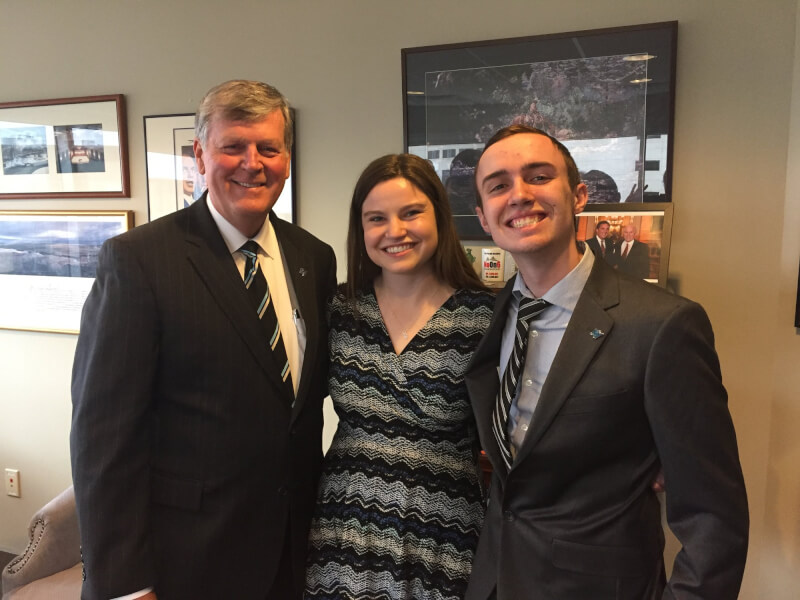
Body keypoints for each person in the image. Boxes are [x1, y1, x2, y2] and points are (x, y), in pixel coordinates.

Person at [70, 80, 337, 600]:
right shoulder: (139, 260)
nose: (251, 163)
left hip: (295, 549)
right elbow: (102, 437)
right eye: (232, 146)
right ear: (200, 154)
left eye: (268, 147)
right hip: (187, 559)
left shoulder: (314, 258)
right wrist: (124, 583)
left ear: (286, 156)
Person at [465, 124, 748, 599]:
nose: (519, 195)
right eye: (499, 185)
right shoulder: (489, 317)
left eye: (538, 177)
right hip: (495, 581)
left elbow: (713, 516)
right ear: (483, 218)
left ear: (578, 196)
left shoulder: (662, 326)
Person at [305, 154, 494, 600]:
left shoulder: (486, 317)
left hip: (443, 532)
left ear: (440, 216)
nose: (396, 231)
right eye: (377, 218)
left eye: (411, 212)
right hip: (343, 529)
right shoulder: (338, 310)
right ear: (361, 228)